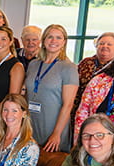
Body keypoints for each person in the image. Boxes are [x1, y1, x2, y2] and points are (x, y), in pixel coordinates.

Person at [25, 24, 79, 152]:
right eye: (50, 37)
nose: (54, 41)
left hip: (53, 126)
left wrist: (57, 134)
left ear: (64, 42)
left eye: (58, 38)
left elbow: (68, 104)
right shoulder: (33, 64)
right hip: (31, 123)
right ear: (43, 41)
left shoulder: (68, 67)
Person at [73, 32, 114, 115]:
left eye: (109, 44)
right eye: (101, 43)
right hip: (78, 109)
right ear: (96, 46)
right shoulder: (86, 62)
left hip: (103, 113)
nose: (105, 46)